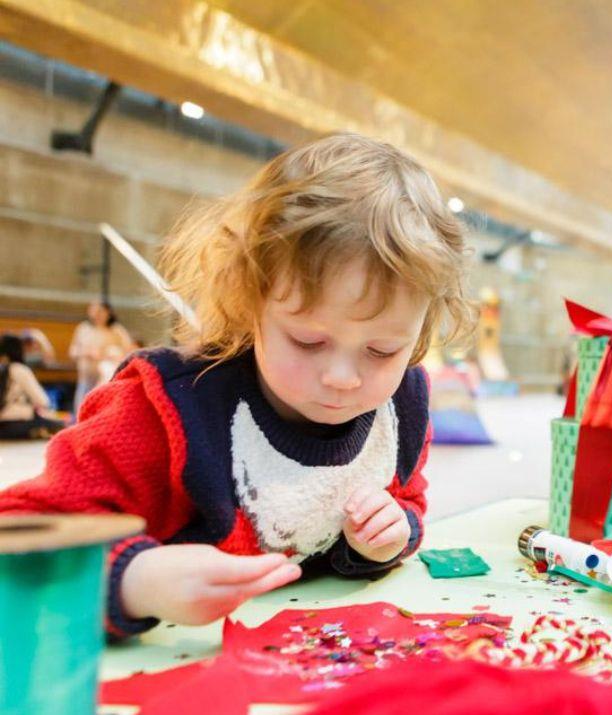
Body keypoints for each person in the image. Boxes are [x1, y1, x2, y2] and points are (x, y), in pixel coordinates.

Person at [0, 133, 474, 639]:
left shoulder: (401, 403)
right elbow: (20, 535)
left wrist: (391, 533)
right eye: (307, 340)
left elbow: (405, 496)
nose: (343, 377)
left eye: (382, 351)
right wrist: (132, 580)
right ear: (250, 301)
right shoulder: (165, 408)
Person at [69, 300, 135, 412]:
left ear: (108, 312)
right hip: (85, 378)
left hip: (106, 379)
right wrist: (86, 352)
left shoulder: (117, 331)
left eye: (100, 311)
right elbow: (72, 351)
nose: (96, 315)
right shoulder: (83, 328)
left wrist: (107, 354)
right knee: (80, 409)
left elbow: (129, 351)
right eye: (93, 311)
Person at [0, 334, 65, 439]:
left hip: (4, 422)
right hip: (15, 421)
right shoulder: (20, 369)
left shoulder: (3, 368)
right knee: (59, 425)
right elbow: (43, 401)